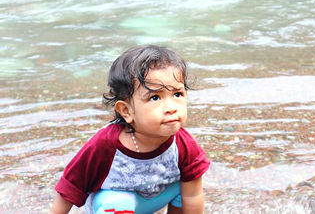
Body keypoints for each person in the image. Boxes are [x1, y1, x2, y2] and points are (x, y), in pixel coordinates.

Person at [50, 45, 210, 214]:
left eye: (177, 94)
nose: (171, 108)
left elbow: (193, 197)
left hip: (152, 200)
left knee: (185, 184)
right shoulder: (105, 144)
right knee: (116, 203)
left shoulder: (183, 144)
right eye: (155, 97)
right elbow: (72, 185)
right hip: (114, 205)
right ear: (126, 111)